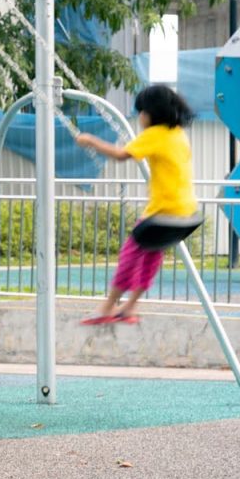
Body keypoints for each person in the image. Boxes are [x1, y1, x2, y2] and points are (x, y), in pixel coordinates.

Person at [75, 84, 198, 324]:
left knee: (129, 255)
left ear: (152, 113)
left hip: (163, 212)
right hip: (187, 213)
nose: (140, 117)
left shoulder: (155, 134)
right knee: (151, 256)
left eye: (142, 112)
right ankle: (130, 307)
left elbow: (121, 155)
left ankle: (108, 307)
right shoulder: (178, 134)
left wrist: (90, 140)